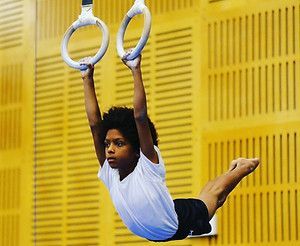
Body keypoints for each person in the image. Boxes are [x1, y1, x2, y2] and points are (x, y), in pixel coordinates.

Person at [80, 53, 260, 242]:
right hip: (162, 221)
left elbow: (140, 116)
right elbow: (94, 125)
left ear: (136, 151)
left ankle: (245, 167)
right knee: (208, 197)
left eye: (119, 143)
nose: (109, 149)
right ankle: (236, 167)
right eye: (107, 143)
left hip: (175, 224)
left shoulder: (147, 166)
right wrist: (87, 78)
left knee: (216, 195)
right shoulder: (110, 171)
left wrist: (135, 69)